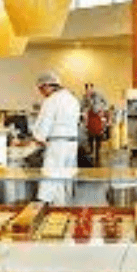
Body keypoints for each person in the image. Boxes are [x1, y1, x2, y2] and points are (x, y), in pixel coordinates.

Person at [31, 72, 80, 204]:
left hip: (58, 145)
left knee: (50, 180)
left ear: (47, 86)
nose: (41, 93)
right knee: (65, 179)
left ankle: (50, 209)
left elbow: (44, 124)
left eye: (41, 89)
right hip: (72, 144)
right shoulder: (72, 99)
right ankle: (62, 208)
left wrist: (38, 138)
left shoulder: (51, 101)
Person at [82, 84, 109, 166]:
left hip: (98, 118)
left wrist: (103, 110)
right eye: (88, 90)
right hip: (90, 119)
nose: (89, 91)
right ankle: (91, 157)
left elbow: (106, 104)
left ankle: (98, 158)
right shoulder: (85, 98)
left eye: (90, 89)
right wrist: (84, 113)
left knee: (98, 139)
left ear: (93, 89)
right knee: (90, 139)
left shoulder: (99, 95)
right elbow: (82, 107)